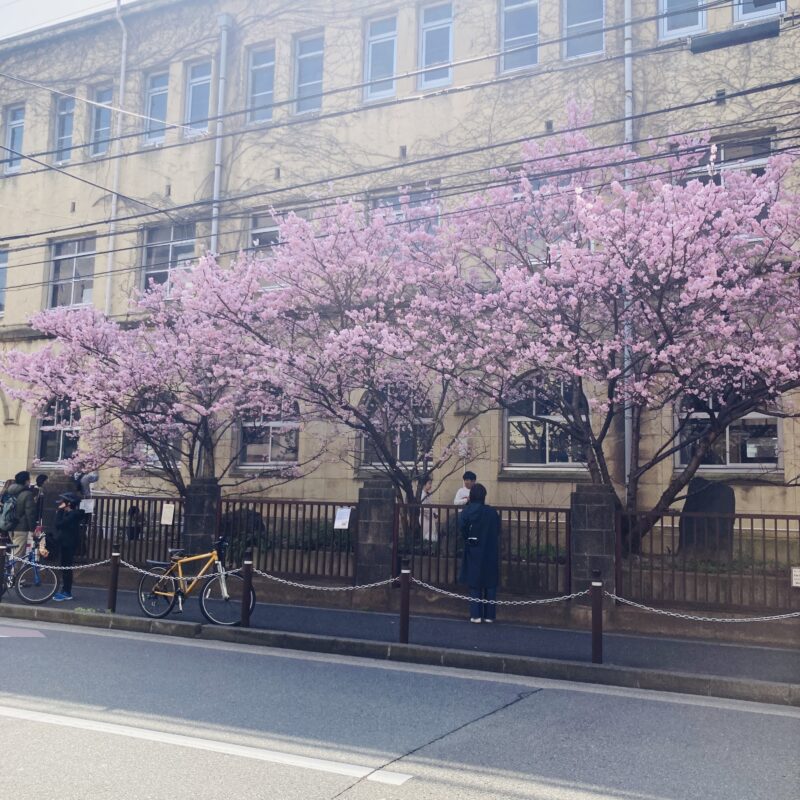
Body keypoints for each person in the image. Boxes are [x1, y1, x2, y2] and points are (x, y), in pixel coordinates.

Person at [458, 483, 500, 623]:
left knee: (474, 582)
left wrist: (468, 539)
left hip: (473, 548)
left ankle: (475, 615)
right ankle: (489, 615)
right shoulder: (492, 512)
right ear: (484, 496)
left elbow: (462, 529)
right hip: (490, 549)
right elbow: (498, 530)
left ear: (471, 496)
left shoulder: (467, 511)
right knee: (490, 582)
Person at [52, 492, 84, 602]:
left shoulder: (73, 515)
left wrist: (59, 511)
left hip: (68, 544)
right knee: (64, 567)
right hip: (65, 543)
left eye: (63, 502)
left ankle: (67, 592)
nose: (60, 504)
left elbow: (58, 524)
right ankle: (65, 590)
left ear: (69, 503)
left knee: (66, 568)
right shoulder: (70, 514)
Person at [2, 471, 37, 567]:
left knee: (13, 553)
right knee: (18, 556)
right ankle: (13, 579)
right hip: (21, 528)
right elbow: (30, 513)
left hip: (10, 526)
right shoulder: (27, 494)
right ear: (26, 481)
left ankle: (9, 576)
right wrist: (33, 529)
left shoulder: (8, 491)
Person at [420, 478, 438, 547]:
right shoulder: (422, 495)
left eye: (431, 483)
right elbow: (423, 508)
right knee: (427, 533)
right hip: (425, 517)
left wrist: (435, 513)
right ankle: (426, 547)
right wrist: (433, 511)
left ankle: (431, 547)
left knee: (432, 532)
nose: (430, 485)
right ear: (424, 484)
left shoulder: (428, 494)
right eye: (429, 483)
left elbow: (431, 504)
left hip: (430, 516)